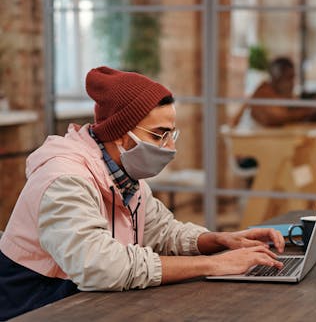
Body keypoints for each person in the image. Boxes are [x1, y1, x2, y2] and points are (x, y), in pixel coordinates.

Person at [0, 66, 285, 319]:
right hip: (35, 307)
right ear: (122, 133)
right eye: (159, 135)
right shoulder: (63, 179)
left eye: (172, 134)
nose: (169, 147)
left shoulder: (125, 176)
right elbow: (100, 267)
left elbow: (162, 232)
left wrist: (220, 240)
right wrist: (214, 264)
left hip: (86, 303)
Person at [233, 57, 316, 129]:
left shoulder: (282, 96)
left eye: (293, 78)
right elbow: (276, 117)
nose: (292, 83)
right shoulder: (263, 93)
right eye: (288, 78)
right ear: (276, 78)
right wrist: (308, 111)